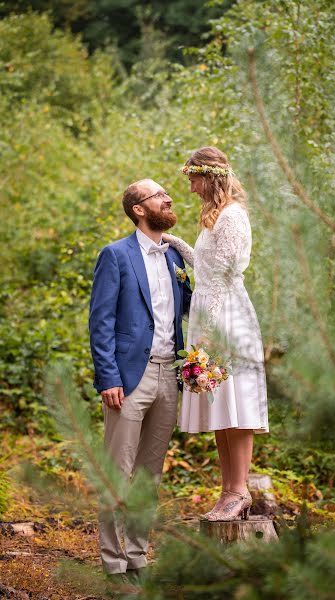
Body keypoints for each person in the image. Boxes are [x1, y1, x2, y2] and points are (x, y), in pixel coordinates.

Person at [89, 179, 191, 577]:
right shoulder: (115, 255)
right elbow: (101, 322)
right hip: (129, 380)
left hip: (170, 377)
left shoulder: (176, 259)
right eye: (159, 195)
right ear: (139, 209)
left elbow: (190, 312)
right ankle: (113, 565)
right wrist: (108, 377)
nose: (168, 198)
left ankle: (137, 556)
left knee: (150, 473)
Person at [163, 147, 268, 522]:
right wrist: (175, 244)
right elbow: (207, 267)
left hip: (226, 320)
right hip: (209, 316)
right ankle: (228, 490)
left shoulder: (234, 216)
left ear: (209, 177)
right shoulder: (214, 215)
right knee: (219, 404)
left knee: (236, 405)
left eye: (193, 178)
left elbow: (222, 276)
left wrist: (208, 338)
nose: (190, 187)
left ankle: (240, 491)